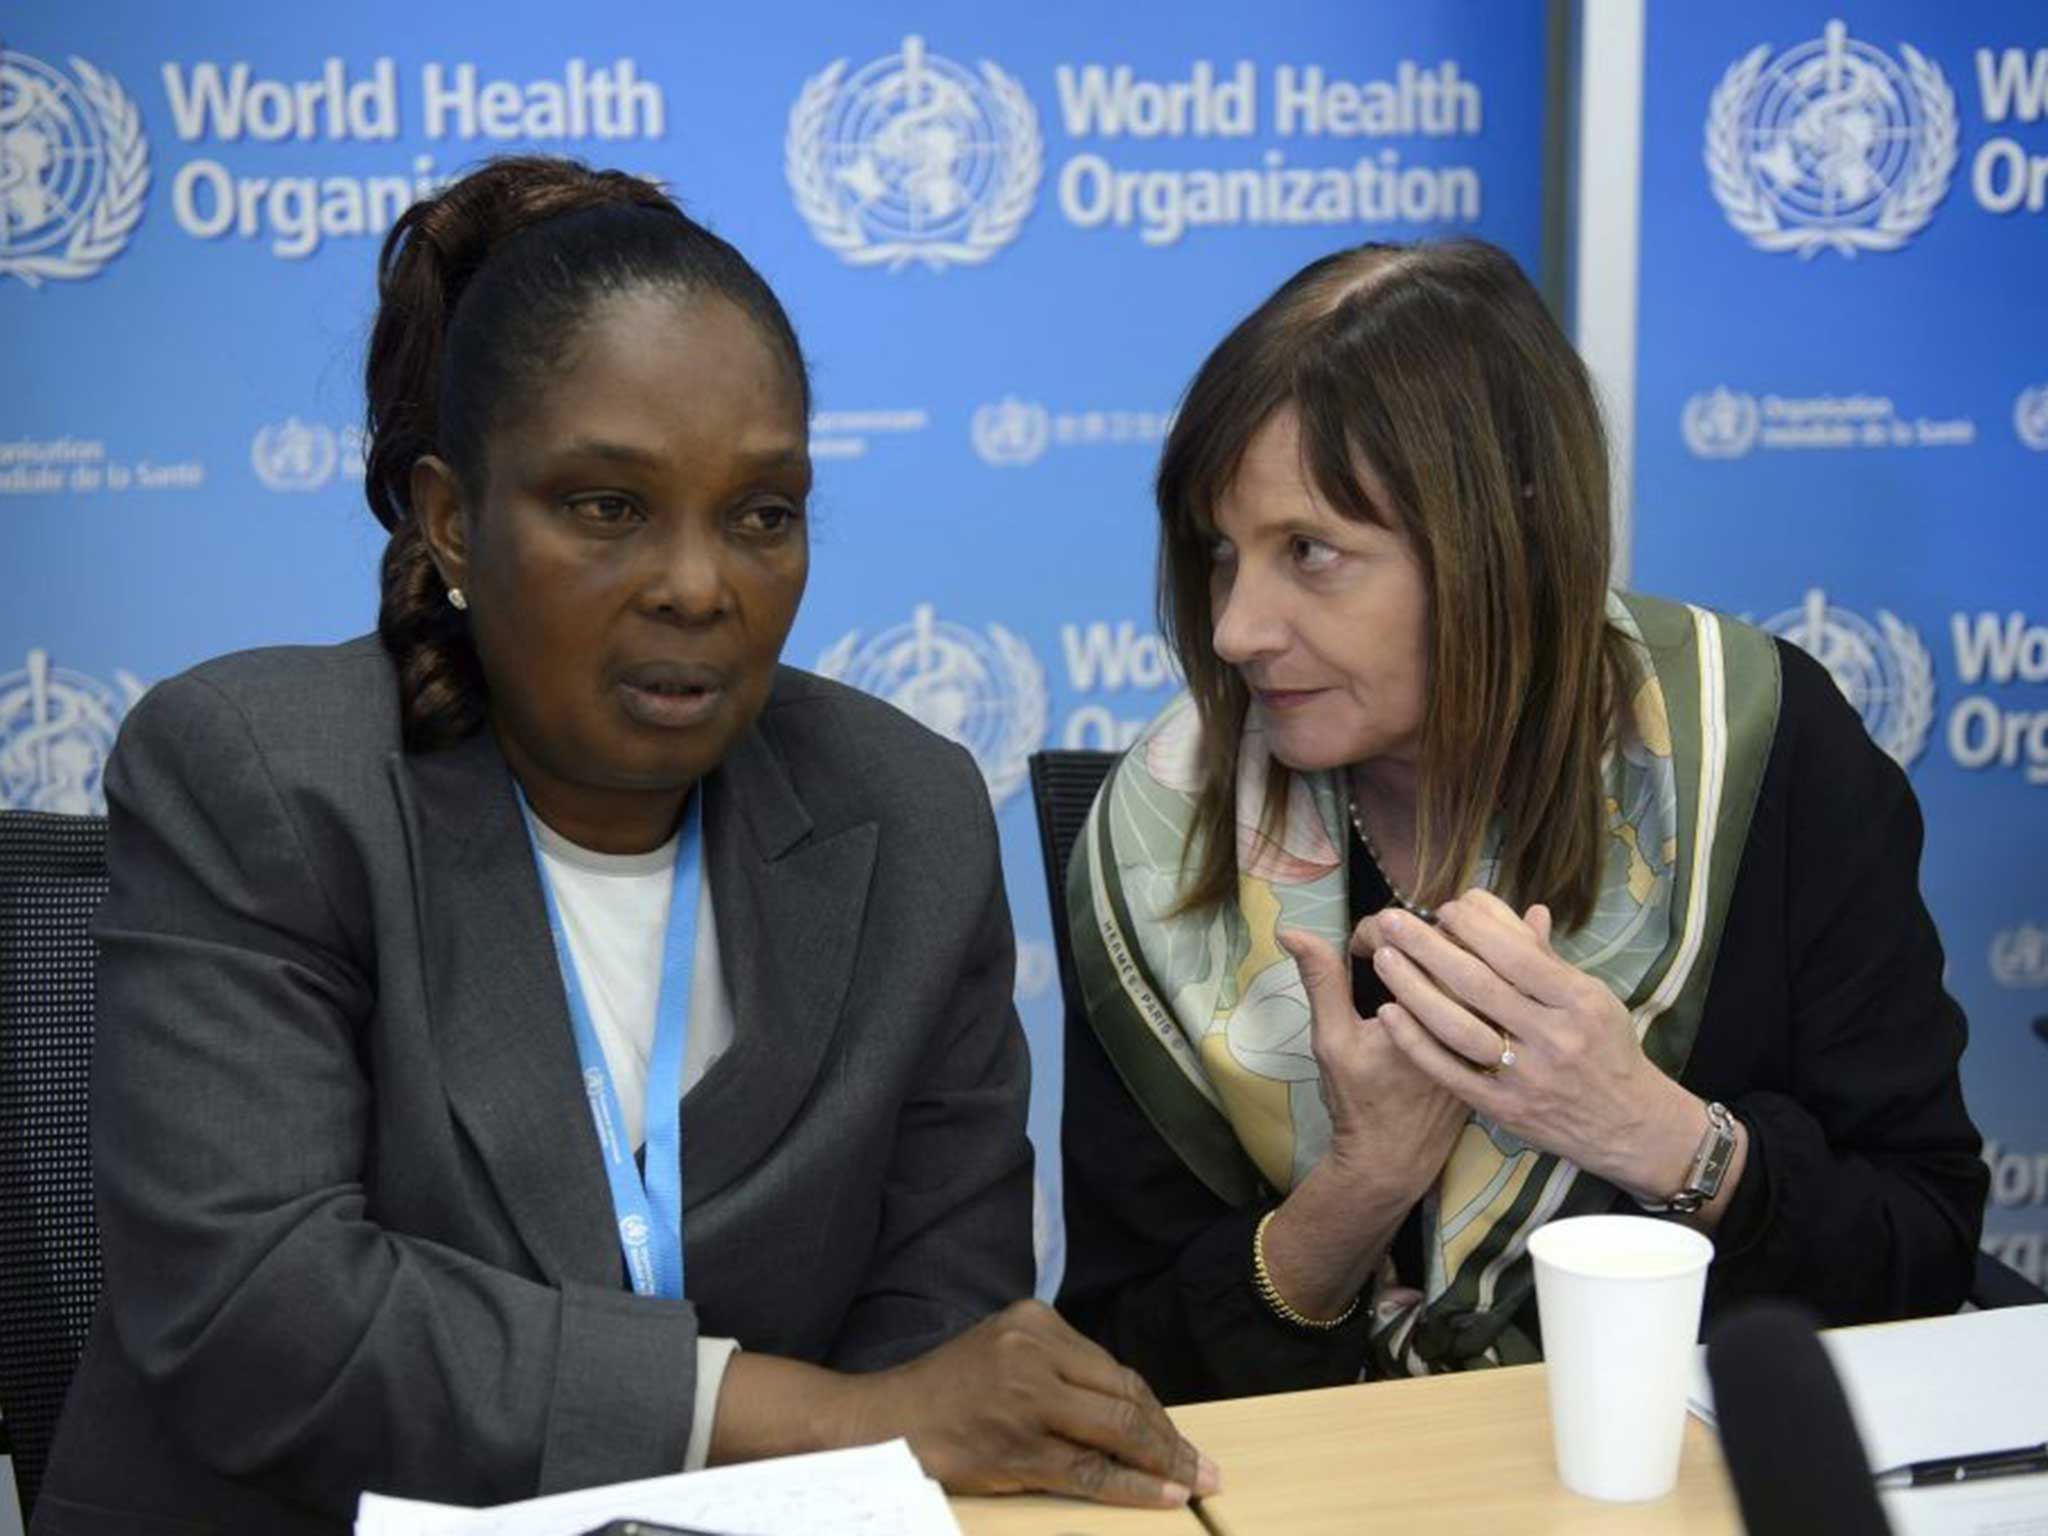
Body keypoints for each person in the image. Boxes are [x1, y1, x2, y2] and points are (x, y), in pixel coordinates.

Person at [33, 158, 1213, 1533]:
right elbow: (262, 1314)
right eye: (608, 508)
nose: (701, 586)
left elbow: (938, 1325)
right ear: (454, 521)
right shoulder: (260, 776)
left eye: (763, 515)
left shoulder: (907, 811)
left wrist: (884, 1429)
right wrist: (816, 1418)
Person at [1057, 239, 1987, 1404]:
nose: (1237, 628)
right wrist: (1354, 1192)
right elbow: (1115, 1364)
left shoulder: (1757, 746)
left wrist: (1650, 1131)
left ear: (1497, 538)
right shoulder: (1164, 831)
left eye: (1310, 553)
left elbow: (1920, 1245)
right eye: (1217, 555)